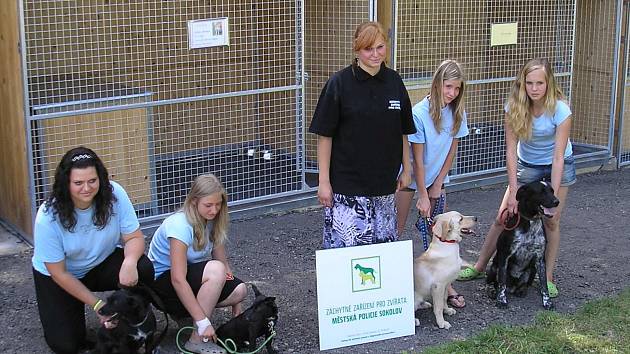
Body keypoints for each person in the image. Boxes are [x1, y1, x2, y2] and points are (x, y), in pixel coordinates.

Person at [457, 58, 575, 299]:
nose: (534, 88)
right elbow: (510, 150)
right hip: (527, 165)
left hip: (558, 163)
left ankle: (548, 278)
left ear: (549, 83)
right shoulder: (513, 106)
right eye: (529, 83)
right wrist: (513, 191)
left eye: (540, 83)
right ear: (523, 84)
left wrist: (549, 195)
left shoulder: (561, 109)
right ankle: (480, 266)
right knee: (503, 217)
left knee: (551, 220)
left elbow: (558, 156)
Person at [32, 146, 154, 354]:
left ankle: (135, 319)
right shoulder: (48, 216)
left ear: (101, 178)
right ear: (66, 183)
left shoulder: (114, 193)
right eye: (78, 183)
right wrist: (97, 304)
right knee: (66, 345)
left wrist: (129, 261)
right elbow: (58, 273)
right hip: (61, 276)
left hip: (99, 263)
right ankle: (75, 309)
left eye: (92, 181)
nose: (86, 188)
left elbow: (134, 237)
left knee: (142, 267)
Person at [308, 21, 416, 248]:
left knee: (381, 255)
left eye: (380, 47)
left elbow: (403, 131)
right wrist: (323, 182)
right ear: (356, 50)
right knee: (347, 258)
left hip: (385, 187)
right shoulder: (339, 84)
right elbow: (324, 136)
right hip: (347, 188)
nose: (375, 54)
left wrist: (407, 169)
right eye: (368, 49)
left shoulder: (394, 81)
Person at [395, 59, 470, 308]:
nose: (452, 93)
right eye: (448, 87)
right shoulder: (419, 113)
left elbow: (451, 150)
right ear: (437, 84)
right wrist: (423, 195)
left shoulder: (457, 112)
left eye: (457, 88)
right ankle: (392, 280)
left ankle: (446, 285)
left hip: (437, 179)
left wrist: (438, 185)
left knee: (442, 235)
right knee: (398, 228)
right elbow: (417, 159)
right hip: (410, 179)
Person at [148, 173, 247, 353]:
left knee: (240, 290)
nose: (214, 210)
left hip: (184, 277)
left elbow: (223, 263)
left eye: (218, 204)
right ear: (194, 201)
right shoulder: (180, 225)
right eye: (208, 205)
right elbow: (177, 279)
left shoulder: (212, 221)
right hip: (162, 285)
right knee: (214, 271)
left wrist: (236, 304)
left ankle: (188, 314)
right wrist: (203, 322)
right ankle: (196, 339)